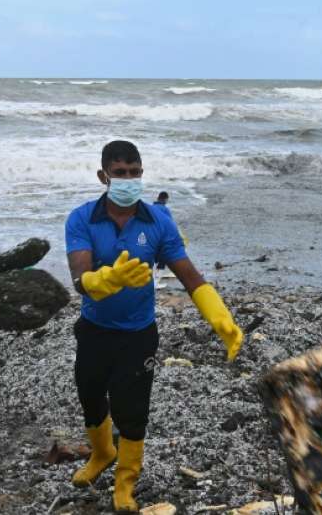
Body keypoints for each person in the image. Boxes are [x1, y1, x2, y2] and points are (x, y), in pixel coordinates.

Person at [64, 140, 244, 512]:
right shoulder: (81, 218)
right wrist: (106, 279)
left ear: (142, 173)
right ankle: (102, 454)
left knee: (132, 410)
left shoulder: (159, 222)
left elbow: (189, 275)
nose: (128, 179)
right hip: (94, 328)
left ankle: (125, 482)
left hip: (137, 334)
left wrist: (218, 315)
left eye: (134, 172)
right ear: (103, 176)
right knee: (90, 397)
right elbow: (79, 277)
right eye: (120, 173)